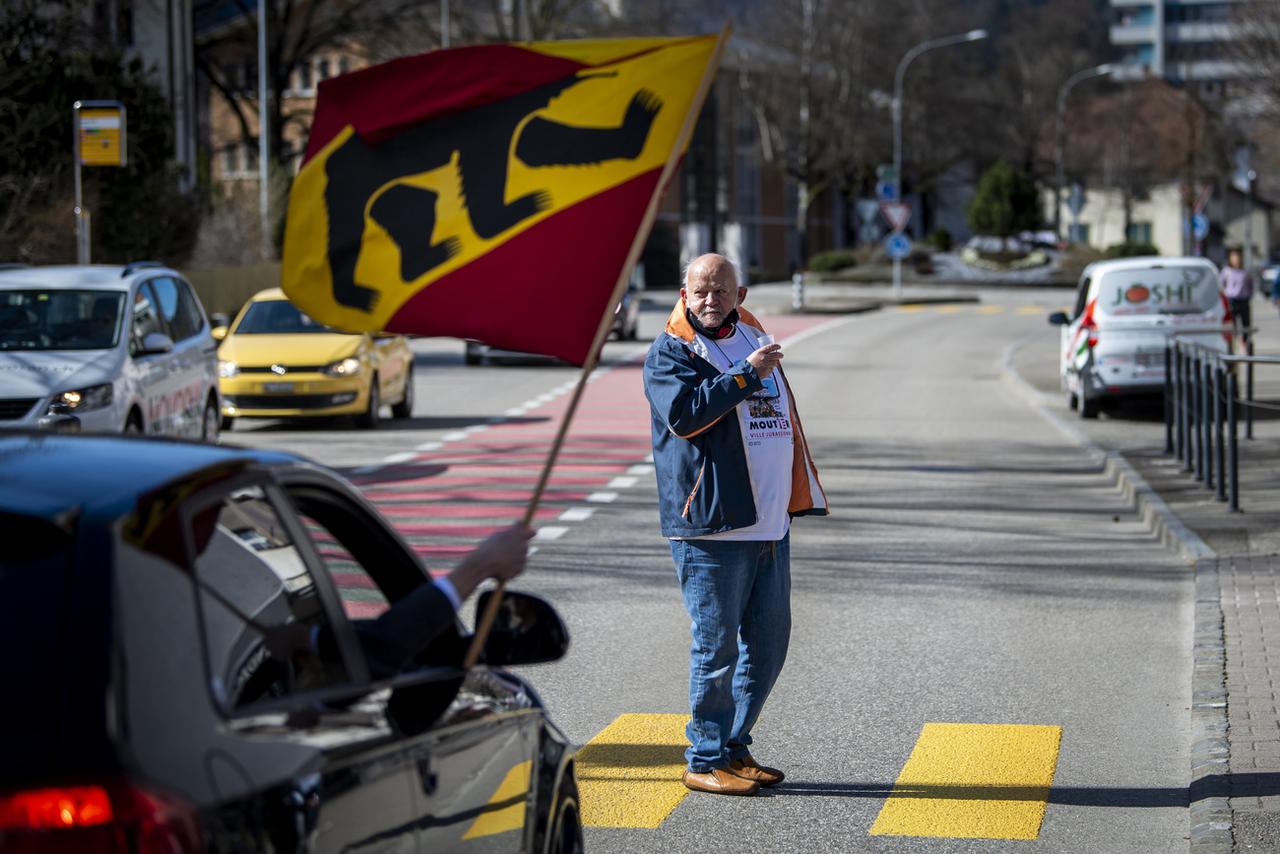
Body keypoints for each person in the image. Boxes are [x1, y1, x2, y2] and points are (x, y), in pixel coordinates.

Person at [642, 253, 828, 797]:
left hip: (769, 524)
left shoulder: (750, 332)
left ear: (739, 294)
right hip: (712, 529)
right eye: (699, 290)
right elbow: (686, 416)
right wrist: (747, 374)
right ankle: (703, 757)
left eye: (720, 291)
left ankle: (733, 745)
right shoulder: (670, 351)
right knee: (716, 649)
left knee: (769, 646)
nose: (709, 300)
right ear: (683, 292)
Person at [1220, 247, 1254, 342]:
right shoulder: (1227, 271)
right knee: (1232, 324)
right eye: (1234, 258)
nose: (1236, 260)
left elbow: (1251, 285)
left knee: (1246, 324)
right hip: (1231, 299)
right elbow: (1220, 284)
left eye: (1237, 258)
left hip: (1243, 300)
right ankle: (1233, 343)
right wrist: (1225, 295)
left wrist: (1249, 295)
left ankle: (1246, 343)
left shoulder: (1245, 272)